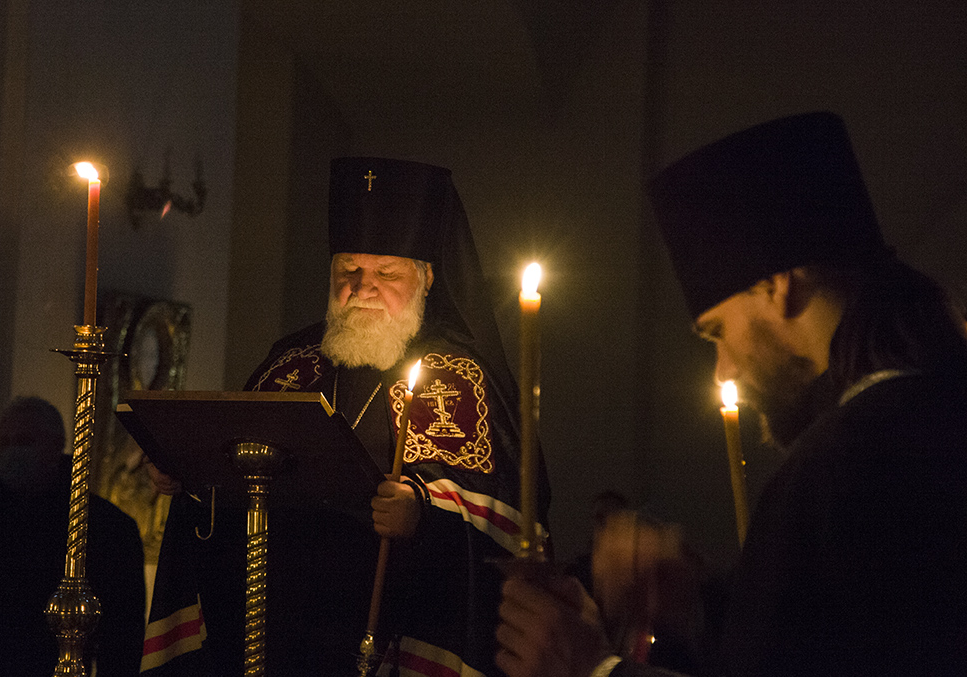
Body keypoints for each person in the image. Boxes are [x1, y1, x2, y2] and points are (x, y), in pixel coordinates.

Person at [495, 112, 967, 677]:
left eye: (718, 331)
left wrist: (589, 668)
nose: (726, 367)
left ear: (779, 288)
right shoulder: (934, 411)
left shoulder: (849, 459)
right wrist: (705, 600)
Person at [144, 157, 548, 676]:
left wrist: (423, 511)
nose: (363, 286)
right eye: (348, 270)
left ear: (426, 277)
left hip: (392, 637)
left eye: (386, 273)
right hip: (275, 639)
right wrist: (189, 474)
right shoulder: (290, 362)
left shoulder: (459, 376)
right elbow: (238, 475)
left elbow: (507, 514)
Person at [0, 396, 146, 676]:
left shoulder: (106, 526)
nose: (14, 451)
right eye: (6, 442)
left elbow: (122, 634)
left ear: (56, 444)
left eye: (25, 441)